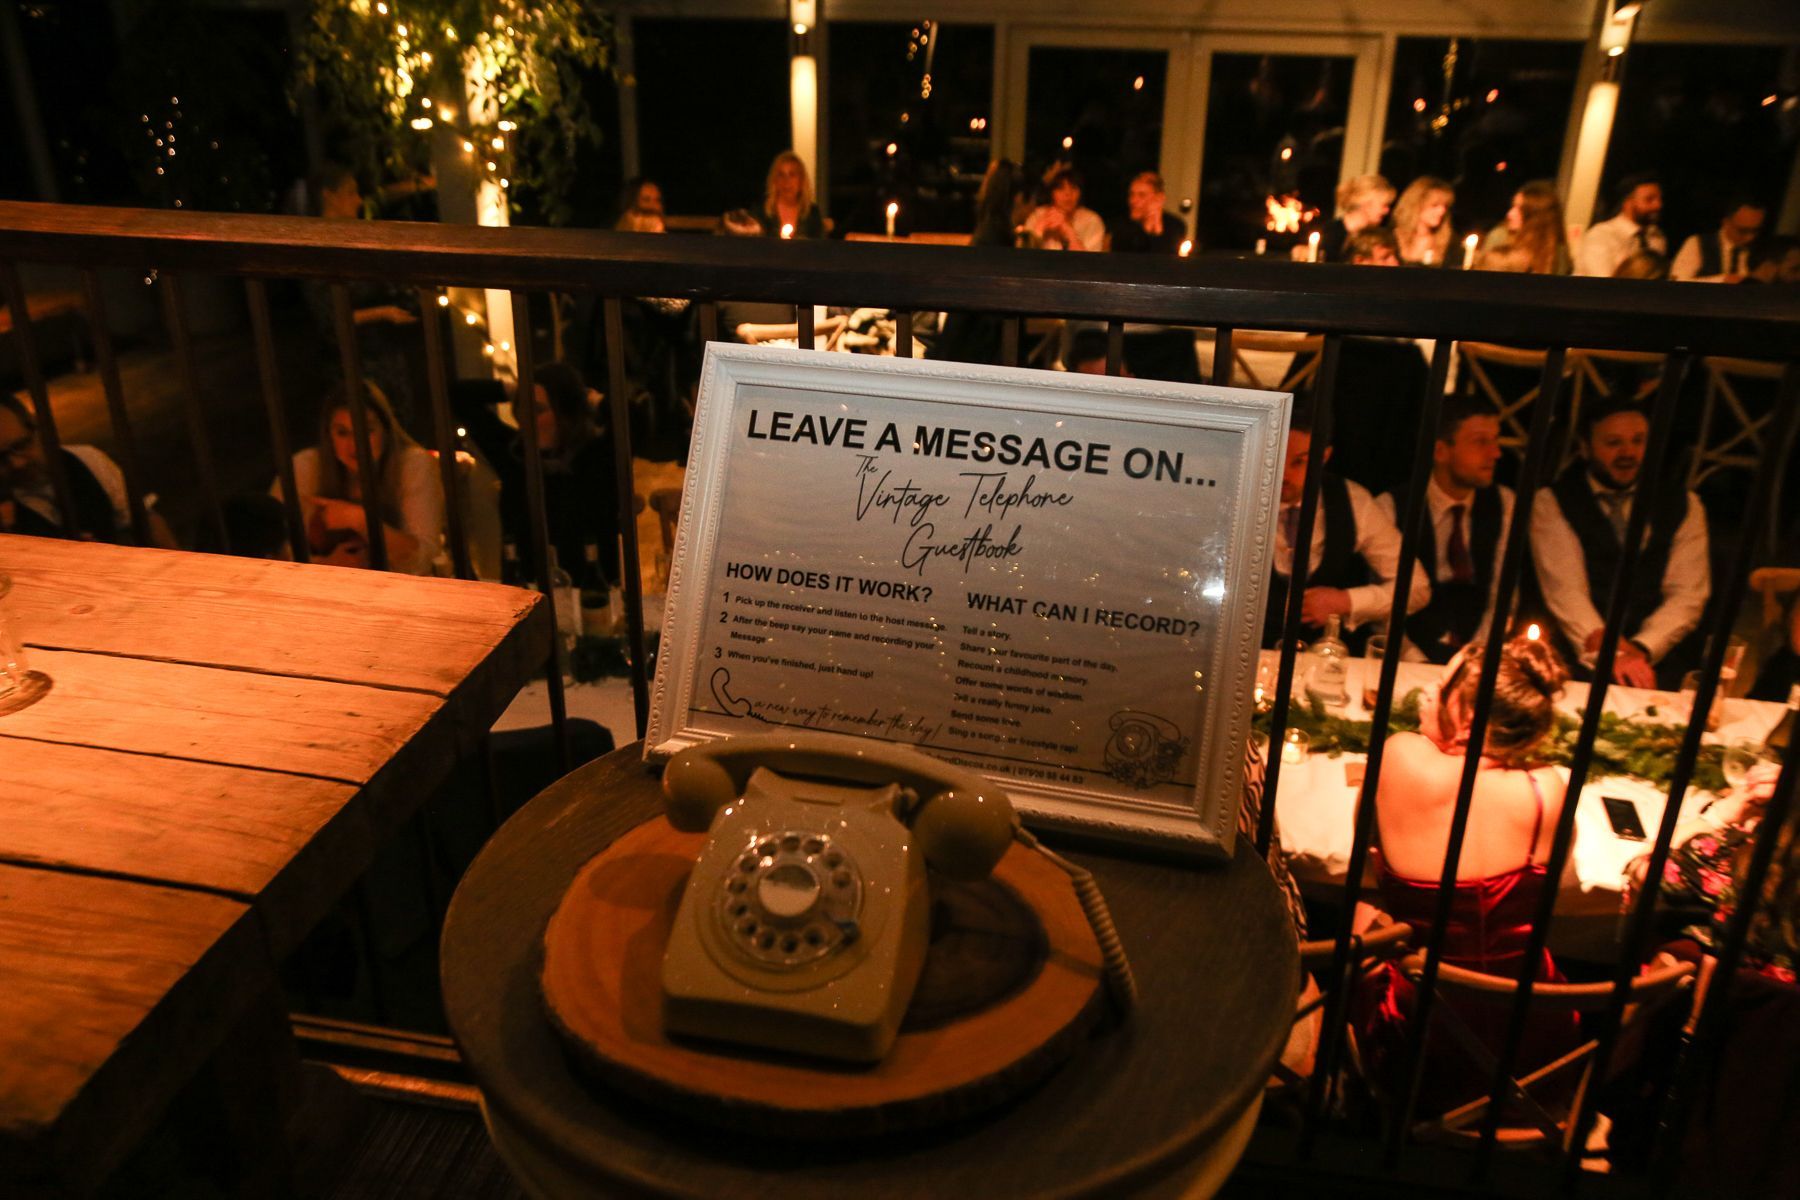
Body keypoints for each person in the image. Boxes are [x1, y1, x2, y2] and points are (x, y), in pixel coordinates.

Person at [1351, 634, 1581, 1114]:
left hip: (1424, 1044)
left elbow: (1364, 845)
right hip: (1534, 1042)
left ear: (1471, 717)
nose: (1429, 693)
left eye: (1442, 685)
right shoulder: (1548, 789)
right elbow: (1557, 883)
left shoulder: (1401, 756)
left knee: (1360, 910)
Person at [1530, 396, 1709, 690]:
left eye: (1638, 441)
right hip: (1580, 654)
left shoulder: (1684, 503)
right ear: (1585, 448)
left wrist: (1642, 648)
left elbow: (1688, 594)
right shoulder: (1552, 502)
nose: (1628, 453)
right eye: (1613, 443)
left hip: (1658, 654)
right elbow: (1565, 591)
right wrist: (1610, 654)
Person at [1265, 400, 1429, 650]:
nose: (1284, 474)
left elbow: (1416, 586)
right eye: (1275, 458)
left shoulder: (1353, 501)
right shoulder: (1235, 494)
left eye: (1299, 462)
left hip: (1321, 653)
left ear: (1324, 456)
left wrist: (1346, 601)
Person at [1376, 397, 1513, 664]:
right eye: (1480, 442)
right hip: (1410, 651)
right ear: (1440, 451)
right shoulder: (1392, 507)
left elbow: (1503, 593)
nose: (1495, 453)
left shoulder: (1504, 503)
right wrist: (1414, 660)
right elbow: (1383, 603)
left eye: (1495, 440)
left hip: (1476, 649)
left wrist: (1478, 656)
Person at [278, 381, 444, 575]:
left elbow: (424, 558)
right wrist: (325, 564)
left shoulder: (412, 464)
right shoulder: (307, 465)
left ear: (385, 430)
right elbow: (271, 546)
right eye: (342, 433)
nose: (355, 444)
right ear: (329, 435)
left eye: (367, 430)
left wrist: (360, 520)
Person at [498, 362, 620, 591]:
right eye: (522, 406)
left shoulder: (596, 454)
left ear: (565, 411)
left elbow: (637, 418)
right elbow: (456, 396)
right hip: (524, 589)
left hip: (592, 590)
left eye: (537, 409)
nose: (525, 417)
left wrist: (590, 397)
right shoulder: (513, 455)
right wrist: (512, 388)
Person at [0, 394, 174, 546]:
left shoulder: (85, 459)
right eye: (1, 457)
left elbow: (144, 519)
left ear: (36, 427)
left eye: (21, 445)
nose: (16, 463)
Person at [931, 161, 1027, 366]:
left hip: (963, 346)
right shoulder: (996, 239)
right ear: (1019, 198)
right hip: (975, 352)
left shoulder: (988, 231)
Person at [1574, 174, 1667, 278]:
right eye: (1649, 199)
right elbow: (1602, 283)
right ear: (1627, 203)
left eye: (1660, 199)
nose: (1658, 205)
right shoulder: (1601, 235)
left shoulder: (1657, 237)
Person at [1478, 181, 1572, 276]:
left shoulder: (1557, 253)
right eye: (1513, 206)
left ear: (1537, 217)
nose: (1510, 214)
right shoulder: (1499, 237)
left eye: (1521, 209)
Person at [1671, 195, 1766, 283]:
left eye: (1756, 231)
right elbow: (1677, 281)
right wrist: (1722, 280)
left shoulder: (1763, 251)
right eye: (1742, 231)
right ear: (1726, 222)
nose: (1750, 237)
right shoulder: (1698, 244)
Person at [1314, 174, 1395, 263]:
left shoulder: (1377, 236)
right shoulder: (1330, 234)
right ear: (1367, 204)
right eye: (1384, 205)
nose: (1387, 211)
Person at [1025, 166, 1105, 252]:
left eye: (1073, 188)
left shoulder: (1091, 220)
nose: (1068, 194)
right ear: (1052, 193)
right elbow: (1023, 254)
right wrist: (1039, 228)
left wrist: (1068, 231)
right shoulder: (1037, 215)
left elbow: (1090, 259)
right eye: (1061, 188)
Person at [1111, 171, 1186, 254]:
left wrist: (1157, 227)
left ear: (1159, 198)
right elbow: (1128, 257)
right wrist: (1146, 229)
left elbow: (1169, 257)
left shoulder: (1175, 225)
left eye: (1141, 195)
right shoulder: (1122, 225)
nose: (1133, 201)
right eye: (1131, 194)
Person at [756, 151, 825, 239]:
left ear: (801, 180)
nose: (786, 181)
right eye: (781, 175)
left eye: (792, 175)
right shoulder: (761, 212)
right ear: (775, 180)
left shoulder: (812, 214)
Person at [1390, 176, 1455, 267]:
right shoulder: (1391, 238)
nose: (1442, 211)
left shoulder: (1450, 243)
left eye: (1445, 206)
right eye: (1435, 205)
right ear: (1416, 205)